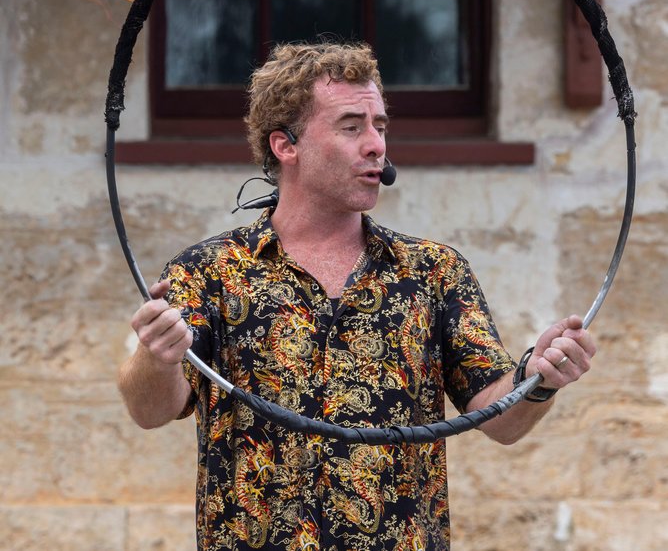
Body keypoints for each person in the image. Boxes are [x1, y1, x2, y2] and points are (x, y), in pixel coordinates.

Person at [118, 41, 596, 551]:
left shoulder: (433, 272)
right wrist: (157, 356)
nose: (375, 146)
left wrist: (538, 379)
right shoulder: (209, 272)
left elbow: (499, 419)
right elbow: (150, 410)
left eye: (380, 126)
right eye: (351, 127)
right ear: (285, 146)